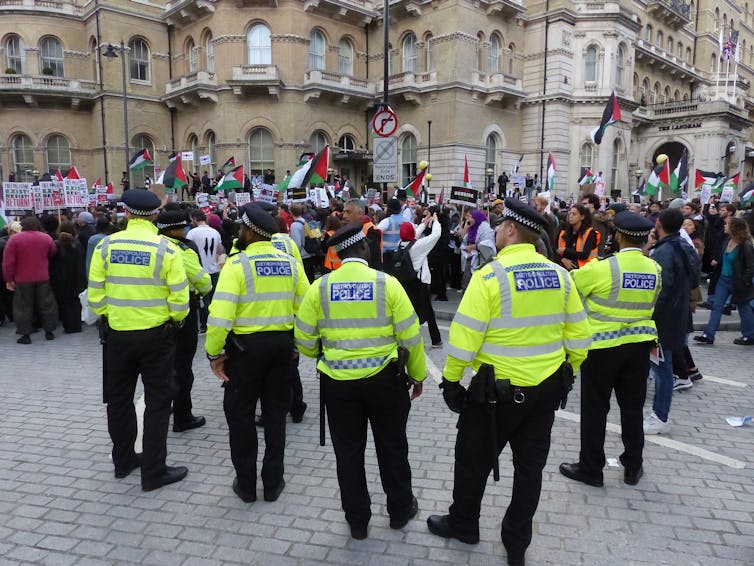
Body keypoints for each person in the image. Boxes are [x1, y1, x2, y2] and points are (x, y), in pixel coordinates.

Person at [427, 198, 591, 566]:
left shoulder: (490, 277)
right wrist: (569, 372)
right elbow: (581, 337)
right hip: (545, 391)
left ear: (512, 230)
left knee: (472, 462)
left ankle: (464, 525)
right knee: (529, 470)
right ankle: (516, 543)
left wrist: (451, 383)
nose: (498, 230)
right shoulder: (561, 276)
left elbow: (464, 339)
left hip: (494, 397)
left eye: (501, 225)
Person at [294, 222, 426, 540]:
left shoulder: (320, 288)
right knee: (392, 447)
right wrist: (419, 375)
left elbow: (303, 339)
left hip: (338, 385)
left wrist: (322, 354)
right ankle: (399, 510)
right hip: (386, 381)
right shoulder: (388, 285)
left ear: (338, 254)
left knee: (348, 453)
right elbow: (411, 336)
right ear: (365, 249)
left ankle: (357, 521)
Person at [205, 205, 309, 503]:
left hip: (245, 352)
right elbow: (305, 309)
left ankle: (247, 484)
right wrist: (297, 347)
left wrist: (214, 354)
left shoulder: (237, 266)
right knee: (276, 416)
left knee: (240, 417)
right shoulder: (290, 263)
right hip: (281, 348)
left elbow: (219, 316)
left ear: (250, 232)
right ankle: (273, 483)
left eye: (242, 228)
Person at [88, 189, 190, 490]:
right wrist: (173, 319)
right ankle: (154, 471)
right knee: (159, 402)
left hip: (117, 336)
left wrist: (114, 315)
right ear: (154, 215)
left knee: (118, 400)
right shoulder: (167, 249)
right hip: (156, 337)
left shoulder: (105, 247)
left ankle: (123, 461)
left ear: (127, 214)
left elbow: (95, 295)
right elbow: (180, 298)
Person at [559, 211, 661, 488]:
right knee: (633, 409)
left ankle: (591, 468)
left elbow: (571, 289)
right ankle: (633, 466)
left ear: (617, 235)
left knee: (595, 410)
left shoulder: (602, 268)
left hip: (602, 348)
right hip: (639, 348)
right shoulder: (654, 269)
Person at [155, 209, 212, 432]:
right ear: (178, 229)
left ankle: (164, 407)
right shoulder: (182, 249)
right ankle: (183, 416)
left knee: (161, 367)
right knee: (182, 368)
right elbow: (204, 282)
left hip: (155, 315)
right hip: (182, 314)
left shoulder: (153, 245)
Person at [645, 208, 700, 434]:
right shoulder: (685, 247)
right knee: (661, 366)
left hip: (663, 319)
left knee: (662, 368)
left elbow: (659, 290)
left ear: (658, 223)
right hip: (678, 315)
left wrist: (649, 317)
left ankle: (660, 415)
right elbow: (695, 279)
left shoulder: (663, 252)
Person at [694, 216, 754, 346]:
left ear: (734, 228)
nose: (724, 226)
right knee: (716, 306)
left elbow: (751, 267)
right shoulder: (727, 240)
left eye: (727, 224)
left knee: (744, 307)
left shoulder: (746, 245)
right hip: (723, 280)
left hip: (738, 281)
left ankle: (749, 335)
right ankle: (709, 335)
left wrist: (745, 281)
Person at [2, 216, 58, 344]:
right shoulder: (46, 238)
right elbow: (53, 252)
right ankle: (49, 331)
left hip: (22, 279)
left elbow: (8, 262)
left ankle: (25, 334)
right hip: (43, 276)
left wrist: (8, 279)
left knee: (23, 307)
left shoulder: (14, 239)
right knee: (47, 305)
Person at [397, 214, 442, 347]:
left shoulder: (400, 244)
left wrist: (423, 223)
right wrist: (435, 222)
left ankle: (431, 339)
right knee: (426, 312)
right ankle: (435, 340)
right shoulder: (419, 246)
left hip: (406, 281)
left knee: (412, 311)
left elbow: (411, 234)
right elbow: (435, 236)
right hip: (420, 282)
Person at [187, 209, 222, 333]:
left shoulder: (192, 233)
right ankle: (215, 323)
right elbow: (219, 250)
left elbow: (188, 251)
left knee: (203, 301)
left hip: (200, 270)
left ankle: (204, 325)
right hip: (214, 269)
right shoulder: (215, 232)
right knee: (214, 300)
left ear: (195, 219)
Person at [50, 221, 86, 334]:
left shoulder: (57, 244)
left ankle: (68, 326)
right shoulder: (77, 243)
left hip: (61, 278)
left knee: (65, 304)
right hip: (77, 277)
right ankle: (77, 325)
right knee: (76, 302)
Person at [342, 198, 382, 270]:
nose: (344, 216)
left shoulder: (371, 230)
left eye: (348, 212)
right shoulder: (345, 229)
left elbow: (375, 261)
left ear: (360, 213)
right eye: (344, 212)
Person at [557, 204, 599, 270]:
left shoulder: (590, 233)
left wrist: (565, 250)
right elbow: (556, 251)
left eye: (574, 214)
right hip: (566, 269)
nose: (570, 216)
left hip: (585, 270)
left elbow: (584, 255)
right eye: (570, 213)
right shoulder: (564, 232)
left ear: (582, 217)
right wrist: (562, 259)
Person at [378, 198, 408, 273]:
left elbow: (375, 233)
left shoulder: (387, 221)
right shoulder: (407, 221)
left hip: (388, 256)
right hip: (402, 254)